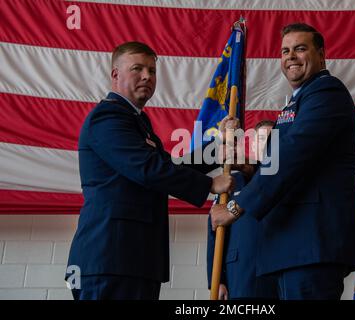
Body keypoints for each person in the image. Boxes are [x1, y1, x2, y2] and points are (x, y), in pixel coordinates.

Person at [210, 23, 355, 300]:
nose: (291, 57)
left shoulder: (327, 93)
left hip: (311, 242)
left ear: (321, 55)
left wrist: (236, 208)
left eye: (300, 48)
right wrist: (249, 167)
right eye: (285, 51)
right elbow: (291, 160)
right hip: (291, 244)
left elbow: (293, 156)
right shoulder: (297, 103)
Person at [66, 41, 234, 300]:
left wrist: (219, 146)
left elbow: (168, 167)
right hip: (110, 259)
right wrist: (210, 185)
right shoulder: (108, 118)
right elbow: (147, 169)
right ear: (115, 75)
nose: (147, 76)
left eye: (152, 71)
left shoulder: (137, 120)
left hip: (133, 259)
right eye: (137, 69)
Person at [207, 120, 278, 300]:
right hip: (240, 271)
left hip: (280, 267)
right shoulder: (230, 181)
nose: (267, 143)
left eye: (271, 139)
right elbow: (215, 231)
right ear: (253, 143)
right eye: (262, 138)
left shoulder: (285, 177)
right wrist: (217, 280)